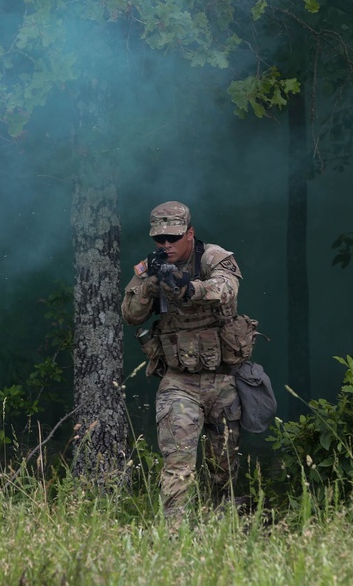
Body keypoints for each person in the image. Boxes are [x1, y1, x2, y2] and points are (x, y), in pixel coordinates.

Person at [122, 201, 257, 520]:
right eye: (159, 239)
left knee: (223, 469)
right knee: (177, 465)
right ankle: (174, 538)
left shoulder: (213, 257)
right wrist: (153, 284)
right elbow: (130, 314)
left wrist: (188, 287)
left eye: (173, 237)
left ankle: (223, 525)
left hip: (222, 379)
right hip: (178, 381)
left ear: (189, 234)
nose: (166, 244)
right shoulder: (150, 267)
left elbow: (227, 290)